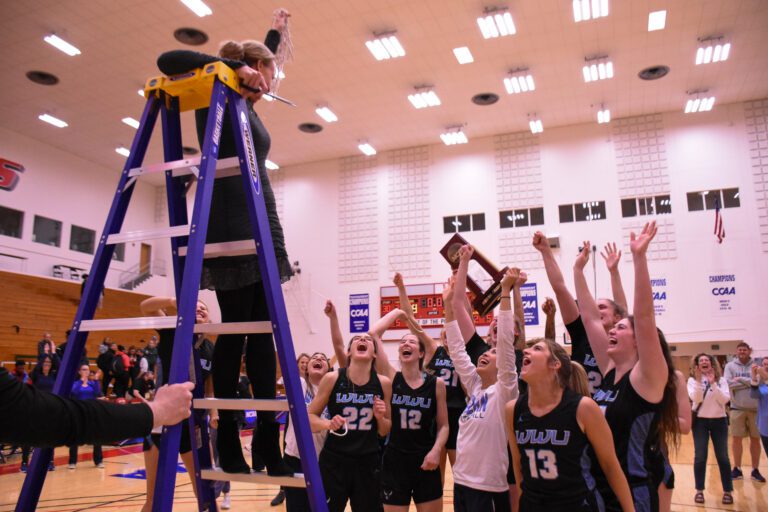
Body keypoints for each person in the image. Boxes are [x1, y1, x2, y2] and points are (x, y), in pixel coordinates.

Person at [157, 7, 294, 476]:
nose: (269, 83)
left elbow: (256, 59)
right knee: (239, 331)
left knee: (259, 334)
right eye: (266, 74)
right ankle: (232, 441)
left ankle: (265, 447)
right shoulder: (218, 89)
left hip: (259, 218)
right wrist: (234, 66)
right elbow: (167, 56)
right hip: (233, 225)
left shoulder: (245, 103)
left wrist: (272, 36)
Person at [573, 221, 679, 512]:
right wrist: (578, 271)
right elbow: (590, 319)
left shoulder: (647, 377)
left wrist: (640, 259)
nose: (611, 330)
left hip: (634, 489)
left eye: (620, 327)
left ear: (638, 341)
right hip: (599, 484)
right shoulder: (609, 371)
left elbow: (644, 317)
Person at [505, 339, 634, 512]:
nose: (526, 352)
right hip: (532, 505)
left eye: (537, 348)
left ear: (555, 364)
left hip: (576, 505)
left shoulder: (583, 408)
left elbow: (611, 466)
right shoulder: (512, 409)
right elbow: (518, 464)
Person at [446, 246, 519, 512]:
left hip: (488, 488)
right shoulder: (476, 388)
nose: (485, 353)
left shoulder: (506, 391)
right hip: (462, 483)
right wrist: (446, 306)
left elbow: (507, 346)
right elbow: (456, 349)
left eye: (493, 351)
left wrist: (506, 292)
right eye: (486, 350)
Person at [138, 296, 216, 512]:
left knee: (204, 493)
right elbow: (145, 307)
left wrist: (214, 412)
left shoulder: (210, 347)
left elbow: (210, 386)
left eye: (204, 309)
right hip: (163, 419)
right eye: (196, 306)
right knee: (153, 499)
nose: (200, 309)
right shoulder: (173, 330)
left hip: (195, 424)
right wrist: (175, 301)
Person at [0, 364, 194, 447]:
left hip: (86, 420)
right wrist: (156, 411)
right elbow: (61, 417)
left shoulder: (93, 384)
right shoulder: (76, 384)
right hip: (77, 421)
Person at [368, 315, 449, 511]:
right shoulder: (391, 377)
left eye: (411, 341)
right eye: (402, 342)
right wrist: (398, 311)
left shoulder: (436, 383)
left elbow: (444, 425)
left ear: (421, 353)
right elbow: (373, 334)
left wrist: (436, 451)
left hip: (425, 460)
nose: (405, 343)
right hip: (395, 461)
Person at [532, 233, 627, 396]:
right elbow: (560, 289)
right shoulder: (582, 334)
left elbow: (623, 309)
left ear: (617, 317)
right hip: (577, 411)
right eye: (594, 307)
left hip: (610, 411)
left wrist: (614, 272)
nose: (596, 310)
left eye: (602, 307)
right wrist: (546, 251)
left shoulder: (622, 341)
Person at [308, 332, 392, 511]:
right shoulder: (332, 378)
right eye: (357, 339)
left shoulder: (384, 383)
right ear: (348, 352)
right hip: (334, 462)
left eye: (368, 339)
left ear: (374, 354)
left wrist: (380, 418)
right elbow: (308, 418)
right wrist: (328, 424)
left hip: (368, 463)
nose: (362, 340)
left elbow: (384, 431)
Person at [283, 351, 332, 512]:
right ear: (306, 368)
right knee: (296, 507)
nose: (318, 358)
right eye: (314, 358)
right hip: (295, 458)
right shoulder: (300, 385)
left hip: (321, 461)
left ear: (329, 369)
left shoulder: (331, 393)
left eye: (323, 359)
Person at [688, 353, 734, 504]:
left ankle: (727, 491)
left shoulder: (722, 381)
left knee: (723, 457)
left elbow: (725, 400)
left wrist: (713, 383)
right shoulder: (692, 381)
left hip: (719, 421)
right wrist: (700, 381)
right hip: (700, 422)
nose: (703, 362)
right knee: (700, 457)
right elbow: (697, 399)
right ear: (697, 366)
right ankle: (699, 491)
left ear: (712, 364)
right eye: (700, 361)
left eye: (706, 360)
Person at [724, 342, 765, 482]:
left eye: (744, 350)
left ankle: (755, 469)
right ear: (736, 352)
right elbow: (729, 383)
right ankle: (737, 468)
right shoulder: (729, 366)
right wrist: (750, 381)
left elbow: (760, 382)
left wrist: (740, 379)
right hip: (736, 408)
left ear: (749, 351)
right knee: (736, 439)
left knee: (755, 440)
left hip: (756, 409)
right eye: (740, 350)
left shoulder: (757, 365)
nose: (742, 352)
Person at [22, 355, 58, 472]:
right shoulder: (36, 375)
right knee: (29, 436)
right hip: (36, 408)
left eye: (49, 362)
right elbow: (28, 386)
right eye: (45, 362)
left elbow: (61, 365)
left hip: (50, 409)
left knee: (50, 437)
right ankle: (24, 462)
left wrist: (53, 354)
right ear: (41, 363)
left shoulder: (54, 375)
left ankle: (50, 461)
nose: (47, 364)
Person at [68, 363, 105, 470]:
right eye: (83, 369)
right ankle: (72, 461)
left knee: (96, 438)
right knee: (75, 439)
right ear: (79, 372)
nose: (86, 371)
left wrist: (97, 380)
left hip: (91, 414)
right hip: (78, 414)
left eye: (87, 370)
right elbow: (73, 393)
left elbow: (98, 393)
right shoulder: (75, 384)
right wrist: (81, 381)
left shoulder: (92, 384)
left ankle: (98, 461)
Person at [750, 358, 768, 458]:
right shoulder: (762, 386)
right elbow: (753, 395)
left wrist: (765, 376)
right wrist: (754, 377)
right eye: (764, 364)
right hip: (765, 426)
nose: (766, 366)